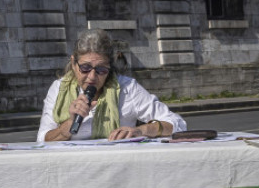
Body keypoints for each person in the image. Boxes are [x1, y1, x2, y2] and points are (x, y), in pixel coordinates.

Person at [38, 29, 186, 141]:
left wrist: (140, 131)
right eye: (85, 68)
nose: (92, 76)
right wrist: (70, 123)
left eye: (101, 70)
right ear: (73, 63)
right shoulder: (59, 88)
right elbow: (43, 139)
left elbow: (177, 124)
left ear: (110, 67)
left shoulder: (127, 88)